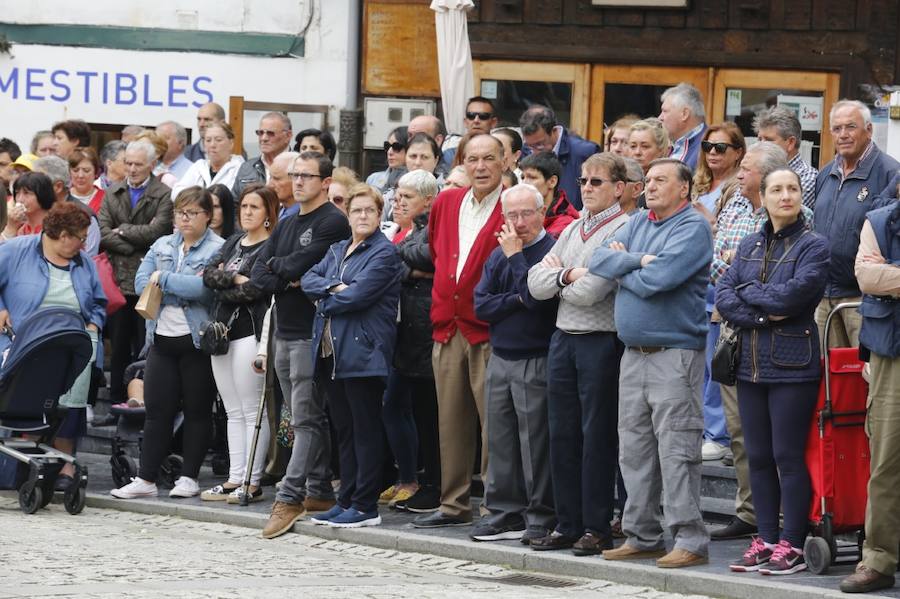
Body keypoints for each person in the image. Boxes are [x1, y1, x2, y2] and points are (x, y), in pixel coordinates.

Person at [591, 158, 712, 569]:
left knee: (677, 450)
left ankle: (690, 539)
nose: (651, 186)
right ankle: (641, 534)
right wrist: (639, 261)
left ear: (684, 188)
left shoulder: (692, 227)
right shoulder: (638, 220)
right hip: (633, 355)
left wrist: (627, 264)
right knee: (635, 450)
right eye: (649, 180)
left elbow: (660, 281)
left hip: (674, 355)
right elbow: (597, 259)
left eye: (662, 180)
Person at [717, 167, 829, 575]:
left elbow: (796, 294)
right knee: (758, 456)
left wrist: (751, 296)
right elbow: (725, 294)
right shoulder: (748, 242)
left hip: (793, 364)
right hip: (749, 364)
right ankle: (765, 539)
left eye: (793, 189)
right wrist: (764, 314)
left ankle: (793, 544)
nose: (786, 195)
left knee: (787, 456)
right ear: (762, 197)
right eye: (777, 189)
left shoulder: (814, 245)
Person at [527, 153, 632, 553]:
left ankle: (596, 525)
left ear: (619, 188)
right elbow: (536, 283)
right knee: (562, 433)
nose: (587, 188)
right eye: (584, 181)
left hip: (600, 340)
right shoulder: (572, 229)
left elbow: (593, 293)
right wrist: (568, 274)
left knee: (596, 435)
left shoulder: (624, 227)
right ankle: (567, 523)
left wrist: (559, 278)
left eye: (597, 182)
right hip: (563, 337)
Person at [707, 142, 803, 542]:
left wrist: (745, 289)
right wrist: (746, 290)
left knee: (778, 442)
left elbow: (783, 288)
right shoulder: (732, 205)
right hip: (732, 331)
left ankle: (784, 523)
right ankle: (751, 513)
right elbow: (719, 268)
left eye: (745, 168)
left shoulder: (797, 223)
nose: (738, 173)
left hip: (779, 343)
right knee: (739, 428)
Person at [252, 152, 351, 539]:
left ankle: (290, 496)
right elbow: (260, 271)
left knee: (305, 417)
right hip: (284, 327)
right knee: (296, 416)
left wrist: (284, 270)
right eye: (294, 175)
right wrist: (284, 271)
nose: (297, 182)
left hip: (312, 330)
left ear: (325, 182)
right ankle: (320, 488)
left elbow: (297, 269)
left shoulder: (332, 221)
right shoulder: (290, 219)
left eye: (306, 176)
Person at [411, 133, 506, 529]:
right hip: (446, 326)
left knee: (493, 425)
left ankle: (496, 508)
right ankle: (454, 504)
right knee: (450, 421)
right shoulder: (448, 201)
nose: (480, 166)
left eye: (488, 158)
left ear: (505, 162)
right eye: (472, 159)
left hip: (489, 329)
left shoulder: (512, 205)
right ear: (462, 162)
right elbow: (437, 250)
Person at [110, 186, 224, 500]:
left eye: (192, 213)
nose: (184, 219)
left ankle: (189, 477)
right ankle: (145, 478)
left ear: (207, 216)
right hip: (160, 336)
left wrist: (163, 280)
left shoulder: (218, 248)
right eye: (179, 213)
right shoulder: (162, 243)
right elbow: (138, 282)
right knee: (157, 410)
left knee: (198, 410)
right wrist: (166, 280)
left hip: (197, 339)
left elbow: (204, 289)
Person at [301, 183, 402, 527]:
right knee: (344, 430)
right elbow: (307, 279)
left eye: (369, 210)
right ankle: (345, 497)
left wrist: (327, 296)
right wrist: (333, 288)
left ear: (380, 214)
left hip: (364, 353)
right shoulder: (337, 249)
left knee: (365, 430)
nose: (362, 216)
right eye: (356, 210)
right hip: (332, 352)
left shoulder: (384, 253)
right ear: (348, 214)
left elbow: (357, 298)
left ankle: (365, 505)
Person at [471, 183, 558, 544]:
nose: (519, 222)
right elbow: (481, 305)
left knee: (535, 443)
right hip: (501, 356)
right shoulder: (498, 254)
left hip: (535, 357)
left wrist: (515, 260)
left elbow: (538, 299)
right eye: (512, 215)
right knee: (501, 440)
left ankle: (539, 515)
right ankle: (505, 512)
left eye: (526, 213)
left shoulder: (551, 250)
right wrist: (516, 300)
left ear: (541, 212)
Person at [0, 202, 106, 488]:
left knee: (74, 395)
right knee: (25, 393)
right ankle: (24, 460)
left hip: (69, 342)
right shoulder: (17, 251)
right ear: (61, 234)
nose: (83, 245)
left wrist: (94, 323)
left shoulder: (84, 264)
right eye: (80, 238)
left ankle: (65, 465)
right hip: (22, 340)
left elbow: (98, 302)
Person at [201, 184, 279, 504]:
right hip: (222, 334)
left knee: (251, 409)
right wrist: (233, 279)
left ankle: (253, 479)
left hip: (250, 331)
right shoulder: (233, 242)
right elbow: (207, 276)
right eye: (244, 206)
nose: (247, 212)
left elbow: (259, 289)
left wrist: (228, 282)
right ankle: (234, 478)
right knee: (231, 410)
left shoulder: (270, 248)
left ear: (268, 215)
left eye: (254, 208)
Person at [840, 200, 900, 593]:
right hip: (891, 354)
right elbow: (865, 276)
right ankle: (877, 558)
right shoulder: (879, 221)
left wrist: (890, 275)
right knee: (886, 458)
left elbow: (883, 277)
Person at [813, 99, 900, 349]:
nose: (843, 135)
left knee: (864, 379)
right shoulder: (826, 174)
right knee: (831, 382)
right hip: (824, 296)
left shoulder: (890, 173)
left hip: (864, 301)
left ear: (869, 130)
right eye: (837, 128)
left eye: (851, 127)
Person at [382, 170, 441, 513]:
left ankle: (426, 482)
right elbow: (389, 262)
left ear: (428, 200)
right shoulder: (407, 231)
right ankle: (409, 477)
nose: (398, 201)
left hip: (424, 330)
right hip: (404, 332)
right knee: (399, 406)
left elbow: (430, 256)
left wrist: (405, 266)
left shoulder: (431, 226)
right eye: (397, 194)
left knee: (426, 413)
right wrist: (409, 270)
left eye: (407, 196)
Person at [99, 139, 174, 406]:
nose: (131, 169)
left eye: (138, 164)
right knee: (118, 348)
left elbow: (158, 234)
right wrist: (134, 240)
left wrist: (123, 230)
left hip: (147, 284)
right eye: (127, 163)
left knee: (145, 346)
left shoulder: (163, 193)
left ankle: (144, 402)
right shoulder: (113, 191)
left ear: (152, 165)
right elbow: (104, 234)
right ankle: (115, 401)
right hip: (118, 282)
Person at [692, 123, 746, 462]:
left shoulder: (738, 189)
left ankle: (718, 433)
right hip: (700, 284)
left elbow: (728, 245)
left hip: (724, 288)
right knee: (703, 365)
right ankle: (706, 428)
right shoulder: (698, 183)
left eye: (721, 147)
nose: (713, 152)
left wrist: (709, 221)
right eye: (708, 146)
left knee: (719, 365)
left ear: (738, 152)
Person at [519, 105, 600, 210]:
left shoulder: (584, 153)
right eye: (530, 146)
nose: (534, 151)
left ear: (554, 131)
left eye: (539, 144)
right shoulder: (526, 151)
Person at [33, 155, 100, 257]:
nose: (33, 188)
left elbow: (89, 257)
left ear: (58, 187)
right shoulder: (36, 209)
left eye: (39, 184)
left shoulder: (84, 216)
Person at [753, 105, 817, 209]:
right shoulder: (755, 171)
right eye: (759, 139)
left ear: (791, 143)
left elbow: (781, 216)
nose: (761, 145)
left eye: (769, 140)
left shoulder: (807, 177)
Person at [173, 122, 244, 199]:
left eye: (218, 140)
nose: (212, 145)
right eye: (208, 140)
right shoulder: (199, 166)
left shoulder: (241, 169)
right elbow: (176, 193)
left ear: (231, 143)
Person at [518, 151, 579, 239]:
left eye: (532, 177)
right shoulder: (520, 213)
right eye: (523, 177)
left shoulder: (565, 225)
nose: (524, 183)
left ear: (552, 182)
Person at [232, 112, 293, 198]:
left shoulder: (299, 166)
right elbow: (235, 205)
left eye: (270, 133)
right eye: (260, 133)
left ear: (288, 136)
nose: (264, 138)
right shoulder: (247, 167)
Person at [658, 83, 708, 170]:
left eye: (665, 111)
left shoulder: (708, 147)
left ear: (684, 114)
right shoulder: (672, 145)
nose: (660, 118)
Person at [2, 172, 55, 240]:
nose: (20, 199)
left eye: (26, 193)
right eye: (17, 193)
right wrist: (11, 228)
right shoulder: (19, 227)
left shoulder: (53, 228)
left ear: (43, 195)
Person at [366, 126, 408, 195]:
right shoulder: (373, 179)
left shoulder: (417, 183)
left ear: (409, 149)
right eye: (387, 146)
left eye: (396, 147)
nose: (389, 152)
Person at [68, 147, 105, 214]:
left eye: (86, 170)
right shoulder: (62, 197)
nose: (80, 175)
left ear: (96, 172)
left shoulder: (106, 199)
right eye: (75, 170)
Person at [267, 151, 300, 220]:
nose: (269, 185)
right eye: (270, 177)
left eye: (277, 179)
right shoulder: (271, 213)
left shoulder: (310, 216)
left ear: (296, 179)